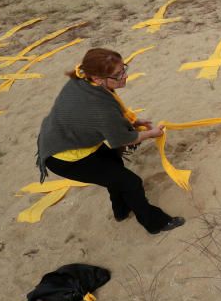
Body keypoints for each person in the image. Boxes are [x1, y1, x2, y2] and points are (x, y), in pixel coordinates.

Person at [37, 49, 185, 235]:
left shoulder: (82, 80)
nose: (125, 75)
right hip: (65, 156)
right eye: (118, 74)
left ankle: (121, 211)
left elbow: (109, 119)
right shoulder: (100, 107)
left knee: (115, 167)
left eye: (123, 68)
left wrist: (133, 122)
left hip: (69, 137)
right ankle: (155, 223)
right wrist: (151, 133)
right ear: (98, 78)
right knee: (131, 182)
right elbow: (122, 139)